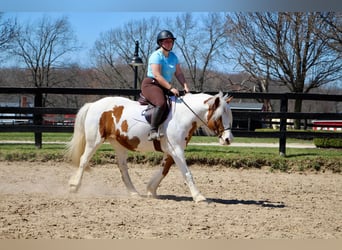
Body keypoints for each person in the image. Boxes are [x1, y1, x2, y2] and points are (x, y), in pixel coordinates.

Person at [141, 30, 190, 141]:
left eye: (171, 41)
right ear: (160, 43)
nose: (169, 43)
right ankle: (153, 131)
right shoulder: (156, 56)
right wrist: (171, 88)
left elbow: (179, 73)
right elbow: (157, 75)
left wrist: (185, 86)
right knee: (161, 103)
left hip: (164, 86)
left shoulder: (173, 57)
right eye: (166, 41)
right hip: (151, 84)